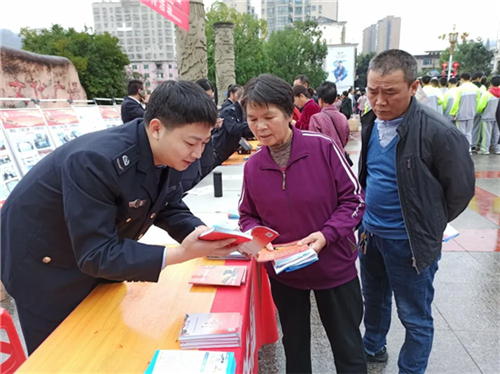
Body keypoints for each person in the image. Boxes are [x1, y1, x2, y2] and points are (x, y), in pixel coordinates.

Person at [0, 81, 238, 354]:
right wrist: (182, 253)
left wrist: (202, 234)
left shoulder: (165, 152)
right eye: (191, 142)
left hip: (89, 251)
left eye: (204, 143)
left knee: (106, 337)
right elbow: (97, 254)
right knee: (63, 353)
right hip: (42, 264)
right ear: (157, 127)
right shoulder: (96, 161)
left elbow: (167, 203)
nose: (197, 154)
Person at [238, 73, 367, 374]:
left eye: (268, 117)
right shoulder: (254, 166)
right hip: (285, 273)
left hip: (333, 266)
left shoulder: (322, 148)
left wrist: (326, 234)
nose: (260, 126)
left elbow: (354, 201)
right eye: (253, 118)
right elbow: (247, 214)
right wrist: (258, 238)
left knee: (347, 348)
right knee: (294, 348)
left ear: (288, 113)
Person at [358, 50, 475, 373]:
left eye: (390, 92)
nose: (379, 101)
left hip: (408, 242)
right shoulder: (371, 122)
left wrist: (427, 222)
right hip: (370, 234)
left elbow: (460, 190)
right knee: (374, 298)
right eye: (372, 91)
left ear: (414, 87)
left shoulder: (439, 132)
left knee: (414, 314)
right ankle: (373, 346)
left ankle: (411, 369)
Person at [212, 88, 254, 166]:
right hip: (218, 152)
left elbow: (244, 132)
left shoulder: (241, 112)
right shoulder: (229, 111)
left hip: (229, 151)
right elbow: (233, 128)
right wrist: (252, 123)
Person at [309, 81, 349, 151]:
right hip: (340, 158)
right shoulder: (343, 117)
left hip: (323, 159)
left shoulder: (316, 118)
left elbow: (314, 144)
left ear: (320, 100)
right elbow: (345, 139)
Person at [450, 72, 481, 151]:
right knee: (469, 132)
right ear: (470, 78)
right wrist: (475, 110)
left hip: (461, 113)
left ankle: (461, 149)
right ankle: (468, 149)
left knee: (461, 132)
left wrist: (453, 113)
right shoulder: (476, 88)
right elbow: (478, 101)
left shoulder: (460, 89)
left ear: (462, 79)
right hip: (471, 113)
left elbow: (456, 102)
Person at [476, 75, 500, 155]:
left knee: (487, 134)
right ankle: (497, 149)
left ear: (491, 83)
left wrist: (481, 112)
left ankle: (485, 150)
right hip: (498, 117)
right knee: (497, 133)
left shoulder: (487, 94)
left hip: (487, 116)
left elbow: (480, 107)